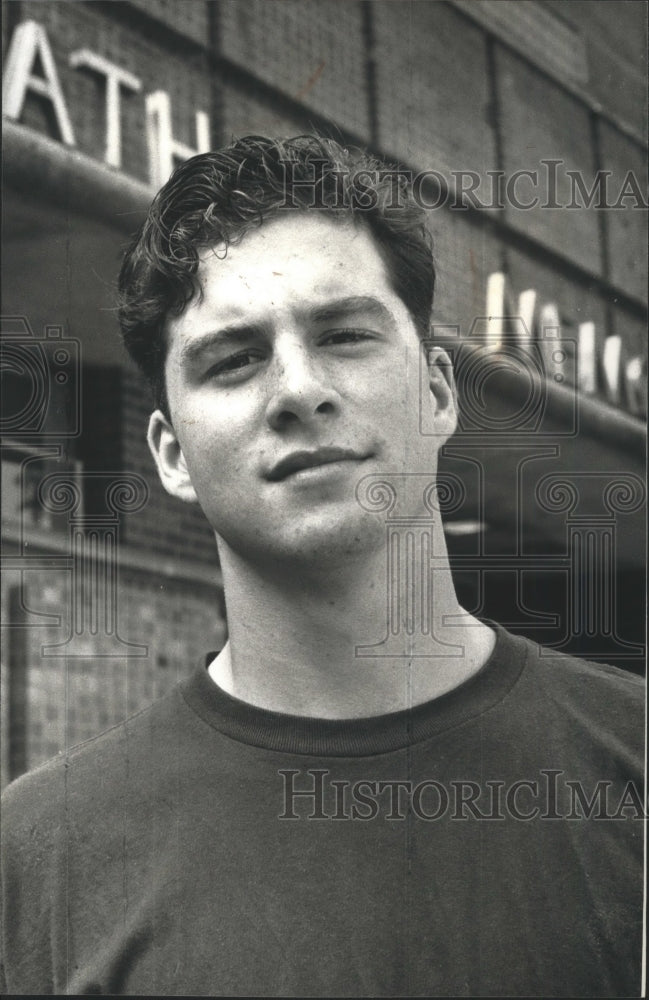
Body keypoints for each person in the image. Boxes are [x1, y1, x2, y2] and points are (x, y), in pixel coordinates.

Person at [1, 135, 643, 997]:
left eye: (343, 334)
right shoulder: (40, 854)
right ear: (170, 455)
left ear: (439, 392)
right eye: (233, 359)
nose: (299, 389)